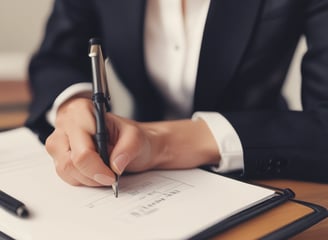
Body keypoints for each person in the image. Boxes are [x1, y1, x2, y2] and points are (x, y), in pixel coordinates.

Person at [26, 0, 328, 187]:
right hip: (137, 171)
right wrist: (73, 108)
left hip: (263, 158)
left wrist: (161, 143)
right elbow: (57, 58)